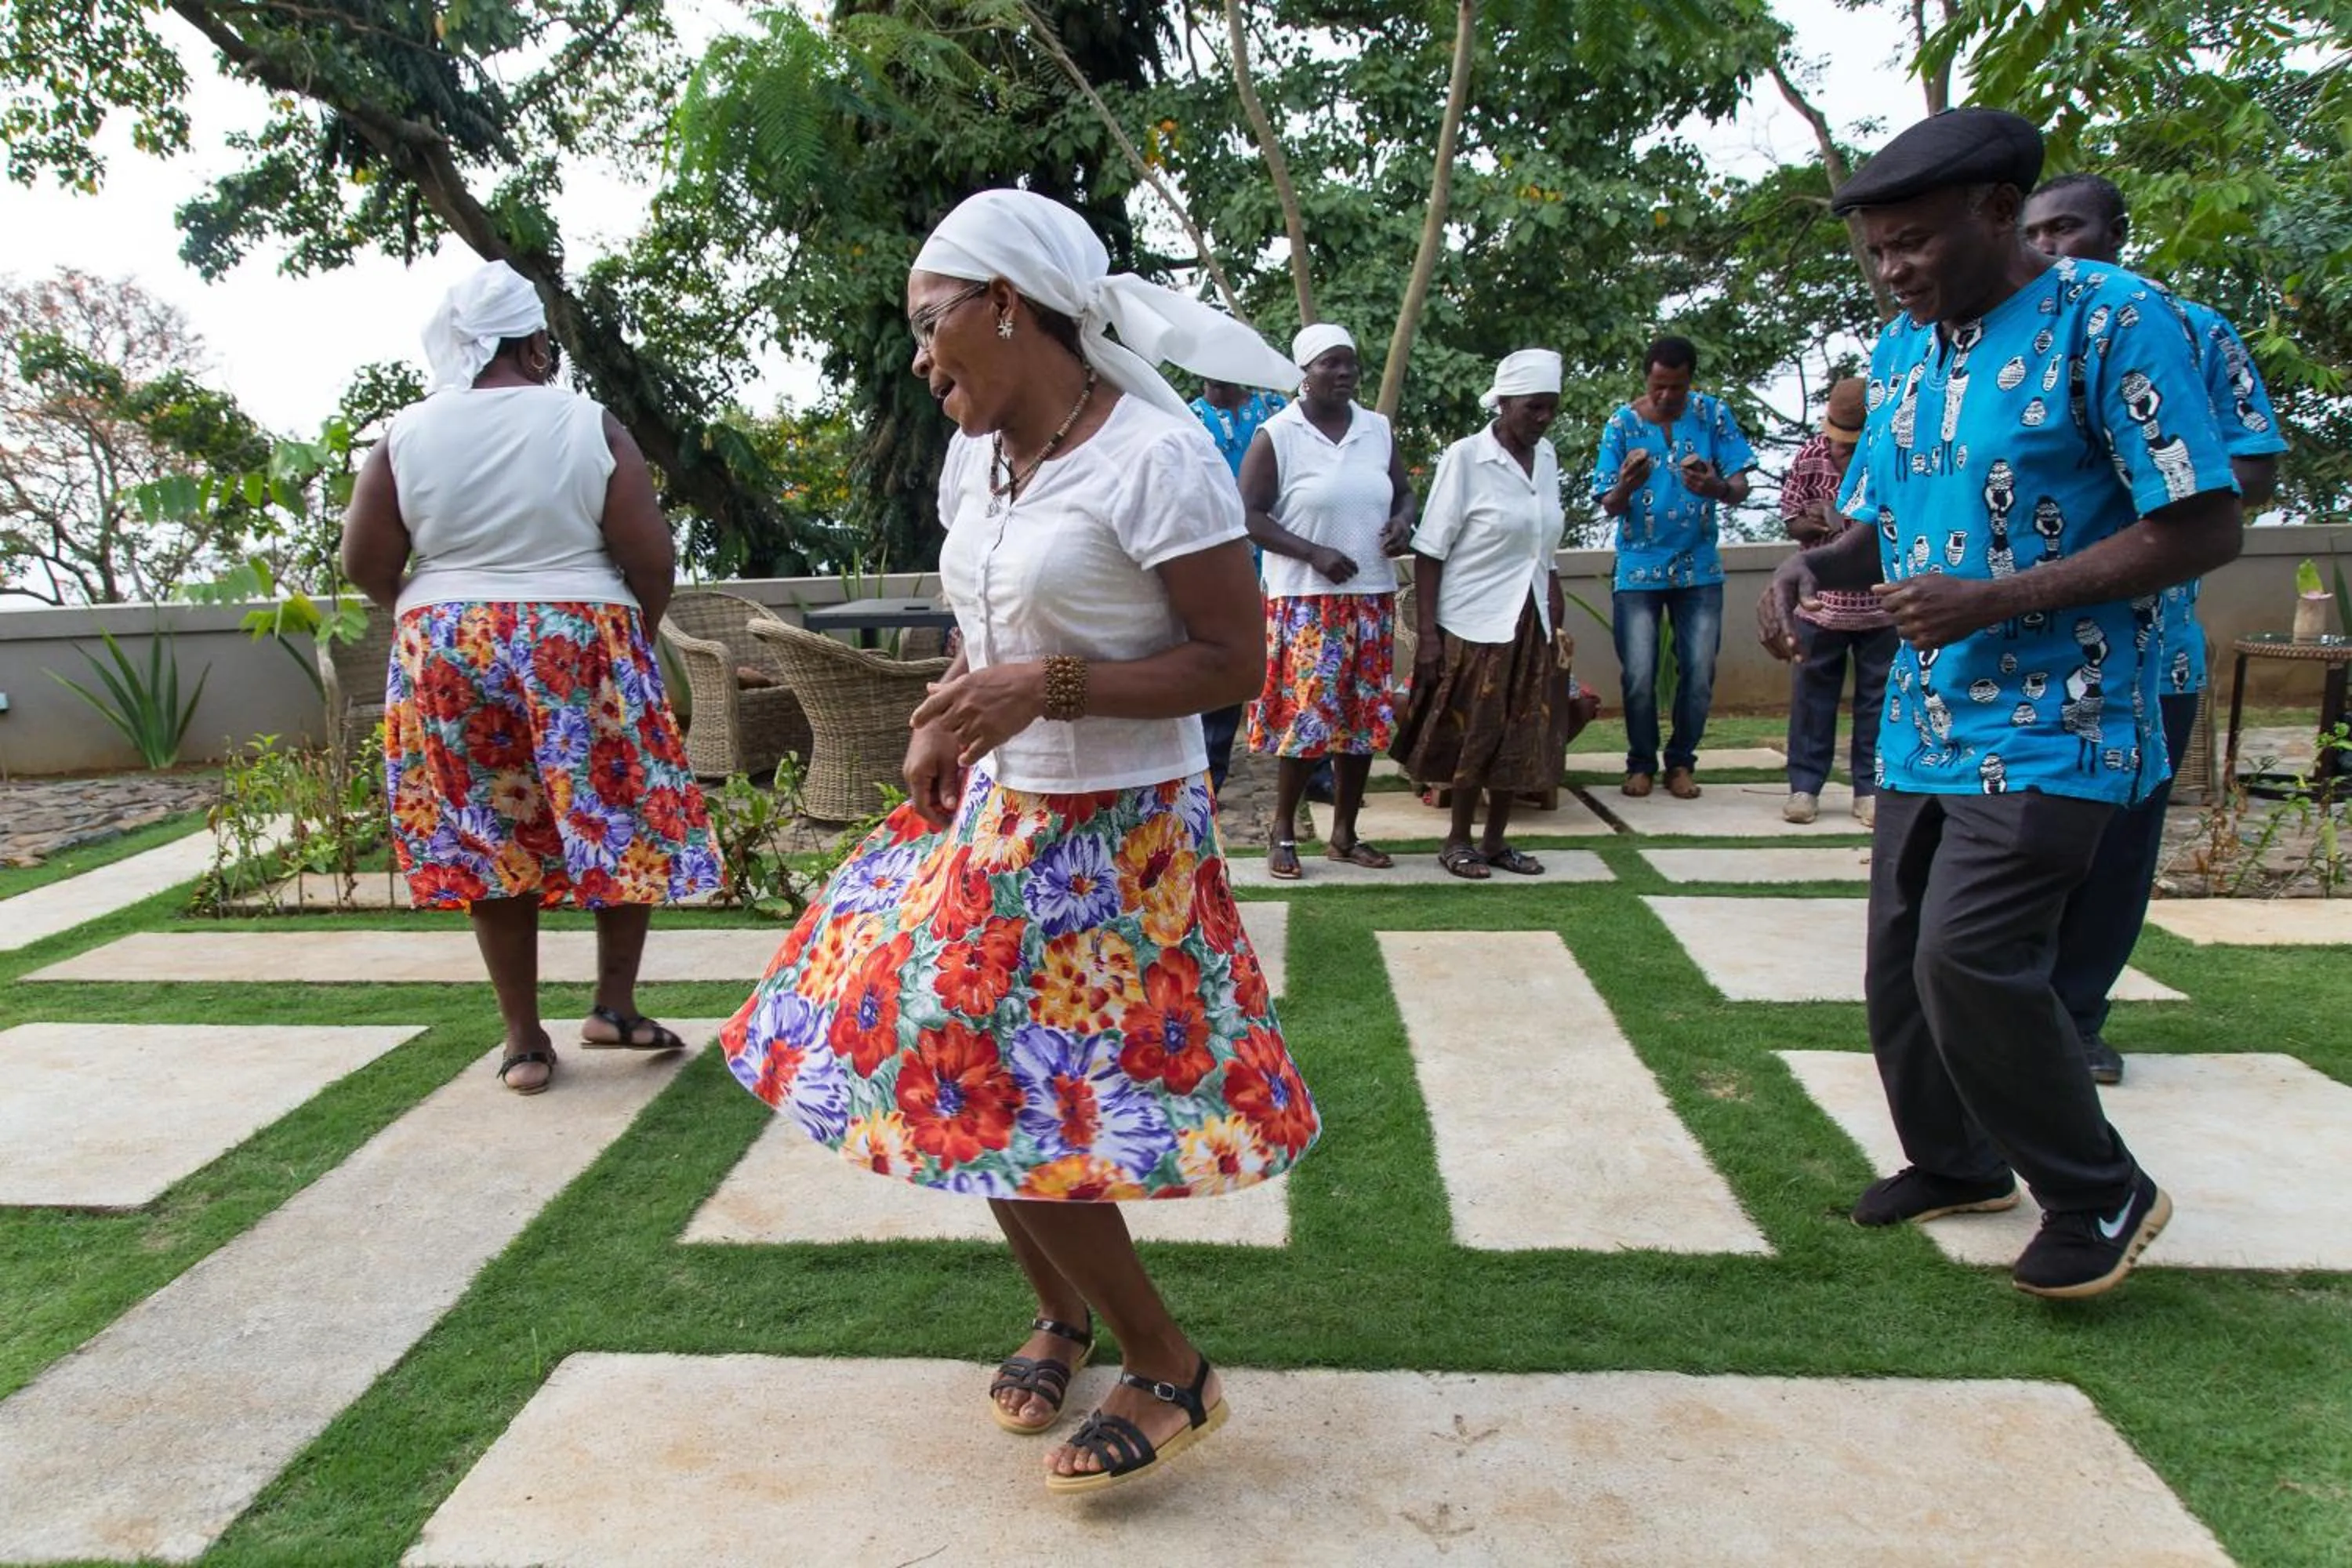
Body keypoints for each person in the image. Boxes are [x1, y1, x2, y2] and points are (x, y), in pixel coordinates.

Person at [720, 189, 1317, 1494]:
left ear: (1008, 304)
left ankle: (1167, 1366)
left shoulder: (1156, 460)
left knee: (987, 1078)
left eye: (935, 327)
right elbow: (984, 628)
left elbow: (1235, 664)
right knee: (946, 1062)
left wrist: (1039, 693)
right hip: (1000, 814)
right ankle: (1064, 1313)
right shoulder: (974, 461)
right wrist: (949, 711)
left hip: (1121, 833)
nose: (922, 360)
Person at [1759, 107, 2242, 1298]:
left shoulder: (2116, 323)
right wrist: (1813, 569)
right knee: (1899, 966)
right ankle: (1959, 1161)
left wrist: (1999, 597)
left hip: (2063, 713)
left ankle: (2098, 1190)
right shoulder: (1907, 355)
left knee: (1972, 954)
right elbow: (1883, 525)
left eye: (1911, 243)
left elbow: (2203, 521)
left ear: (1994, 211)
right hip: (1927, 714)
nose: (1893, 270)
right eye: (1876, 253)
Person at [343, 260, 717, 1097]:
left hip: (448, 643)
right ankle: (614, 1005)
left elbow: (365, 560)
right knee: (617, 811)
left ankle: (523, 1042)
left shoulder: (407, 432)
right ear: (537, 343)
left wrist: (434, 615)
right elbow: (649, 555)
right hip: (579, 635)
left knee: (488, 833)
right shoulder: (587, 423)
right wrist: (633, 640)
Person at [2024, 171, 2289, 1085]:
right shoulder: (2004, 344)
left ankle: (2077, 1014)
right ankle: (2007, 1012)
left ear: (2116, 233)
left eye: (2071, 227)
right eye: (2038, 230)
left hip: (2146, 651)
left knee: (2122, 842)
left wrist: (2141, 469)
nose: (2053, 245)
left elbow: (2247, 472)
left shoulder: (2190, 332)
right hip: (2017, 652)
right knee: (2013, 841)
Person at [1240, 323, 1417, 879]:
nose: (1344, 374)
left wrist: (1402, 522)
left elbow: (1405, 491)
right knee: (1306, 720)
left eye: (1351, 364)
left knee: (1363, 719)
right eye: (1330, 365)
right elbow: (1248, 516)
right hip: (1307, 603)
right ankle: (1283, 831)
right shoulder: (1279, 434)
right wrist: (1312, 551)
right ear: (1305, 373)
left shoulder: (1377, 430)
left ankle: (1345, 833)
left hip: (1371, 597)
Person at [1392, 349, 1570, 878]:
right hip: (1473, 621)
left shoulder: (1548, 458)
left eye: (1550, 409)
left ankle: (1496, 842)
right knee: (1476, 729)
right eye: (1533, 408)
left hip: (1529, 618)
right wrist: (1428, 636)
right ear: (1505, 402)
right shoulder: (1466, 458)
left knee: (1522, 730)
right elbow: (1430, 551)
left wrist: (1553, 600)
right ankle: (1457, 840)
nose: (1542, 419)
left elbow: (1546, 544)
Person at [1592, 335, 1756, 800]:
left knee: (1700, 672)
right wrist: (1625, 484)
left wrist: (1717, 487)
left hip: (1699, 568)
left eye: (1677, 388)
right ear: (1647, 377)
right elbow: (1607, 503)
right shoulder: (1621, 425)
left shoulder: (1713, 415)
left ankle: (1681, 762)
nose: (1667, 397)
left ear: (1690, 382)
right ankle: (1640, 762)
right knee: (1639, 672)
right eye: (1659, 386)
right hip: (1639, 568)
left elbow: (1740, 482)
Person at [1777, 376, 1896, 827]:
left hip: (1879, 605)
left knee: (1876, 700)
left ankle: (1868, 789)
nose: (1843, 452)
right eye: (1840, 443)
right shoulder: (1810, 455)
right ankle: (1805, 787)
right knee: (1812, 698)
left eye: (1853, 444)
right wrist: (1811, 524)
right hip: (1819, 605)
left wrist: (1849, 524)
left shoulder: (1888, 458)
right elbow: (1790, 518)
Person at [1186, 376, 1287, 794]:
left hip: (1280, 554)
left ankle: (1314, 772)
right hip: (1219, 554)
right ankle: (1211, 776)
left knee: (1293, 660)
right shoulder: (1189, 419)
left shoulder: (1273, 411)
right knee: (1224, 659)